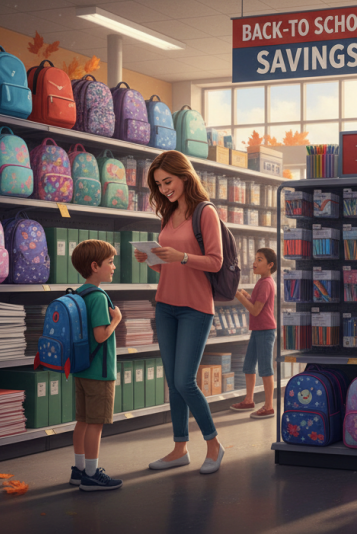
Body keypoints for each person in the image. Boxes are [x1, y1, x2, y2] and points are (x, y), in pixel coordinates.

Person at [134, 150, 226, 474]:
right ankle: (179, 448)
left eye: (167, 181)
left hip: (195, 308)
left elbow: (215, 261)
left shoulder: (206, 213)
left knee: (186, 381)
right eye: (158, 185)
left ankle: (214, 444)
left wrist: (182, 256)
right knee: (172, 383)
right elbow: (170, 268)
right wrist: (154, 261)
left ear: (184, 176)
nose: (164, 189)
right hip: (166, 304)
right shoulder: (167, 215)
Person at [69, 239, 123, 492]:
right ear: (94, 265)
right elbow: (101, 335)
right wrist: (117, 321)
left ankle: (78, 471)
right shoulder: (99, 297)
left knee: (82, 420)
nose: (113, 267)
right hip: (99, 371)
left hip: (81, 368)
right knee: (96, 424)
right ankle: (92, 474)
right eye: (110, 262)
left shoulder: (79, 293)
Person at [231, 248, 278, 419]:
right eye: (255, 259)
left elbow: (256, 310)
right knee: (248, 366)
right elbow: (257, 303)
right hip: (258, 330)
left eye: (259, 260)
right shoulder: (262, 281)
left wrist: (239, 296)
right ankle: (249, 400)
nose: (254, 263)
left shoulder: (266, 283)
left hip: (265, 331)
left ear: (270, 265)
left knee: (265, 369)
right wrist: (246, 295)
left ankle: (269, 406)